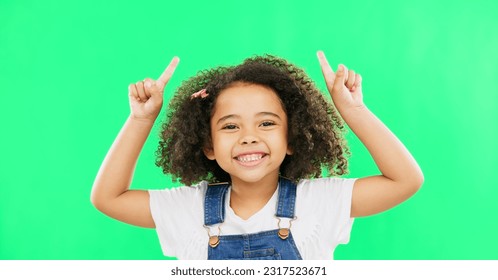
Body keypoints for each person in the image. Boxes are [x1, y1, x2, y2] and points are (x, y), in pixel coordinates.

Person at [91, 51, 424, 260]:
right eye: (230, 127)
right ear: (208, 145)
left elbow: (405, 180)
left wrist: (354, 109)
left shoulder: (319, 201)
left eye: (266, 123)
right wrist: (141, 118)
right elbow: (109, 197)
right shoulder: (187, 209)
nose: (249, 137)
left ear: (291, 138)